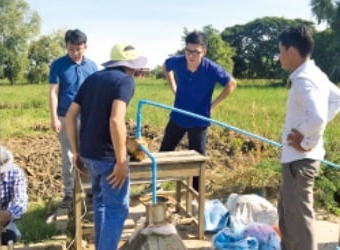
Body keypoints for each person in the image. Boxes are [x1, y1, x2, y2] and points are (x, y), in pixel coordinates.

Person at [65, 43, 147, 250]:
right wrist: (121, 161)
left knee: (101, 203)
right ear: (130, 64)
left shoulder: (92, 79)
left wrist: (76, 152)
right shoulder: (125, 81)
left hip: (89, 155)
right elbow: (116, 120)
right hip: (108, 157)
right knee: (117, 210)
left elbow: (70, 116)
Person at [277, 25, 340, 250]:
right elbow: (337, 100)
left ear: (292, 51)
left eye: (281, 50)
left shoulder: (304, 80)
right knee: (287, 215)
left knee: (299, 222)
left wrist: (304, 138)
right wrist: (307, 137)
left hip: (299, 161)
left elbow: (318, 118)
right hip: (297, 160)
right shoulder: (315, 73)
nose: (279, 56)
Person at [159, 31, 237, 191]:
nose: (191, 55)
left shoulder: (211, 69)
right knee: (165, 151)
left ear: (204, 52)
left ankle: (195, 193)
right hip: (178, 115)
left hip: (199, 119)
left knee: (197, 159)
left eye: (196, 52)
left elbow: (231, 84)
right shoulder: (178, 62)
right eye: (188, 51)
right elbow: (166, 66)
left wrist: (212, 105)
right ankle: (157, 183)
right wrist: (173, 86)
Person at [49, 29, 98, 208]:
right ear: (66, 47)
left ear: (85, 47)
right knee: (68, 155)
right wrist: (54, 117)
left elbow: (96, 92)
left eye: (78, 49)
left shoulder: (92, 66)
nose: (75, 53)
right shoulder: (58, 65)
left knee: (89, 153)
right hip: (64, 116)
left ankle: (91, 190)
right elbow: (53, 91)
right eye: (71, 49)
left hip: (88, 117)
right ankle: (69, 194)